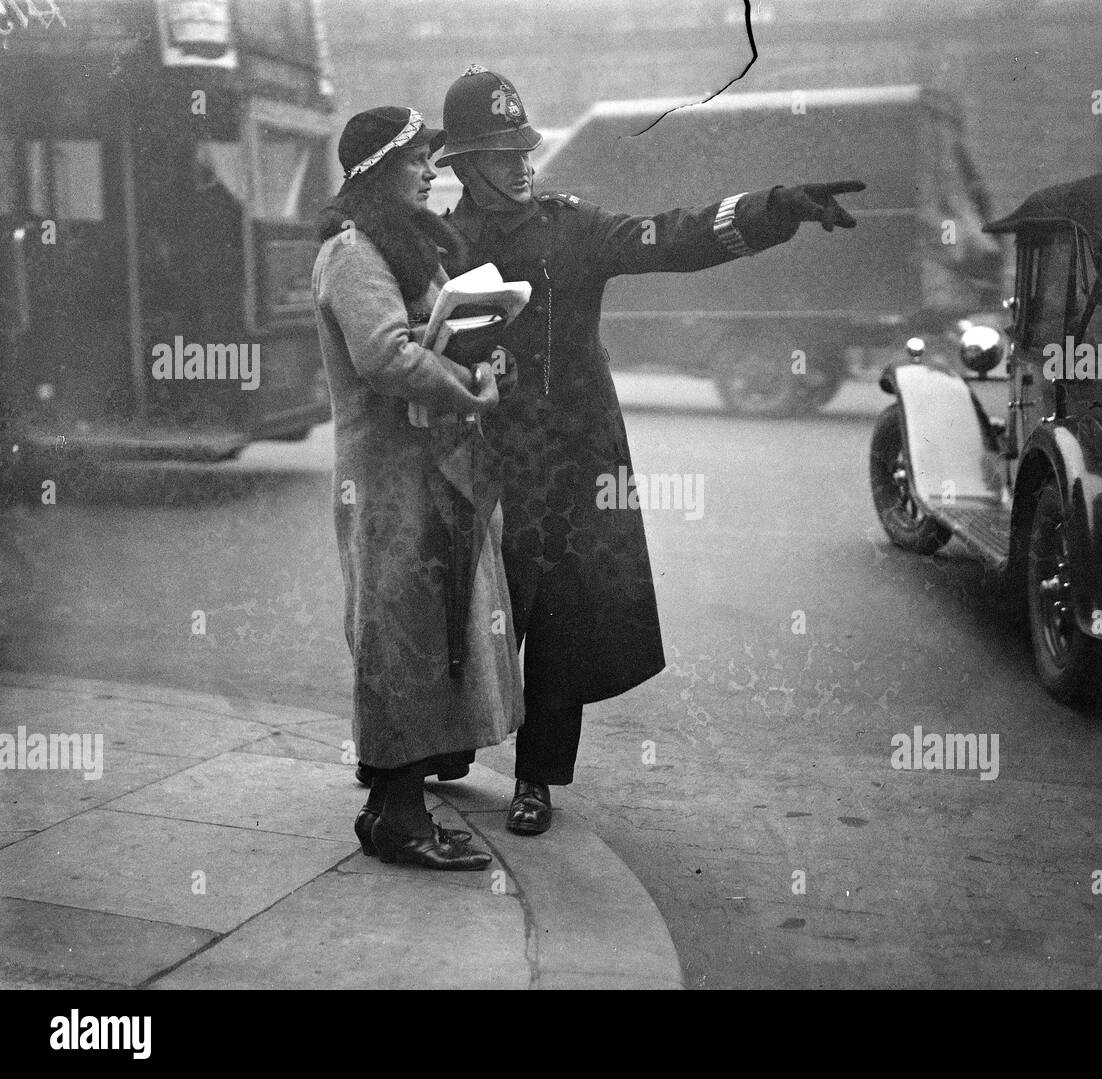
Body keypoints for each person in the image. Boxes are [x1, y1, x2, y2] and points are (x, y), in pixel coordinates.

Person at [436, 67, 864, 836]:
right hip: (482, 459)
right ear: (465, 166)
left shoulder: (573, 228)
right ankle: (451, 744)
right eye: (504, 156)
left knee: (561, 622)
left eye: (525, 149)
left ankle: (536, 778)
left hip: (570, 461)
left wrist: (775, 210)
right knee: (475, 609)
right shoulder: (446, 245)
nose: (524, 166)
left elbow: (673, 237)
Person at [313, 105, 525, 869]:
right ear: (378, 172)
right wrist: (470, 383)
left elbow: (428, 336)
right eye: (418, 161)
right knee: (398, 636)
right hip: (385, 478)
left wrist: (484, 348)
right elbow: (386, 357)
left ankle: (389, 809)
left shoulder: (398, 243)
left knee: (426, 632)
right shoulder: (352, 251)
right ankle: (399, 818)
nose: (432, 172)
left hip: (429, 471)